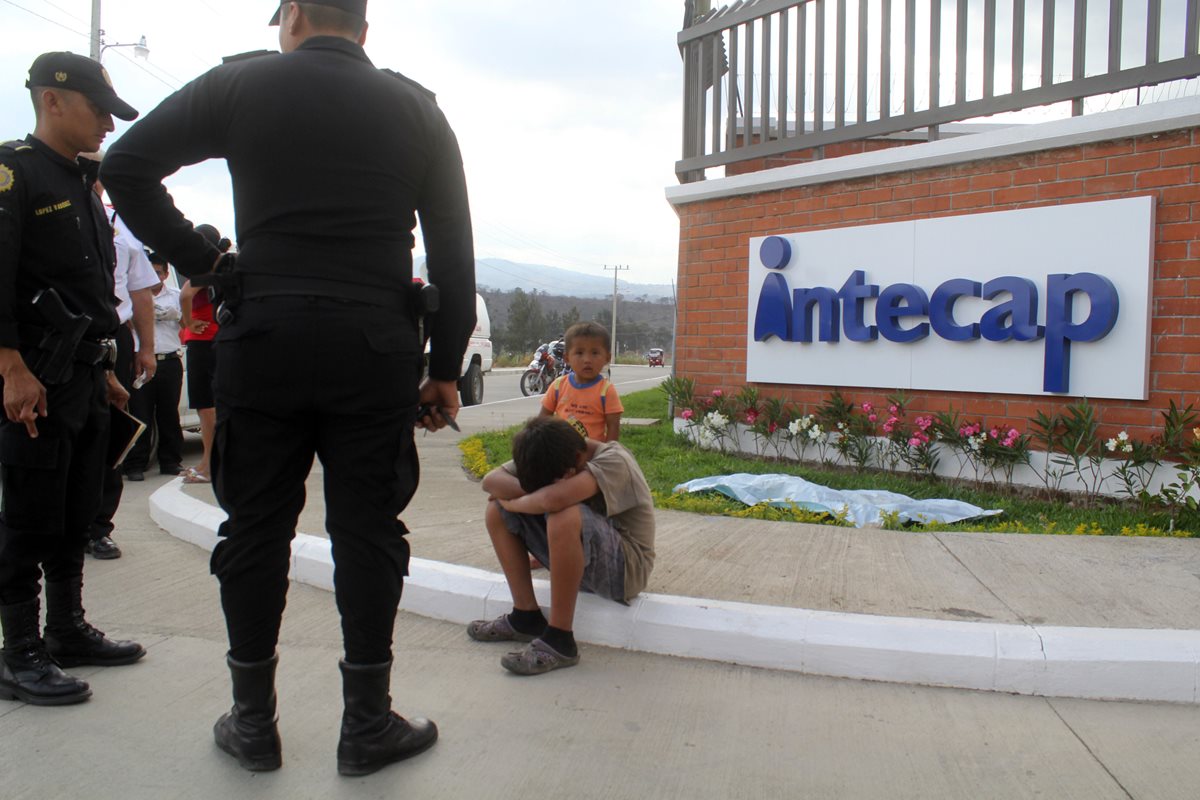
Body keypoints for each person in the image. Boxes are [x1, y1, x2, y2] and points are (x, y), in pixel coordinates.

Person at [101, 0, 476, 776]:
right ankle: (366, 725)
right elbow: (453, 254)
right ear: (363, 28)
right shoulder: (417, 110)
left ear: (295, 14)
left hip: (262, 338)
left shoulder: (241, 85)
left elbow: (125, 165)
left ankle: (252, 724)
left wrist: (201, 259)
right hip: (373, 347)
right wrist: (443, 369)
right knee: (368, 532)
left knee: (255, 529)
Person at [0, 51, 147, 708]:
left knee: (74, 513)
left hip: (85, 377)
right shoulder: (15, 173)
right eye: (99, 110)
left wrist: (107, 370)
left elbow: (89, 293)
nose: (107, 126)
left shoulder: (83, 185)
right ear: (52, 99)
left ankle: (66, 629)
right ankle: (18, 652)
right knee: (27, 518)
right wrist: (11, 367)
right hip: (34, 379)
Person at [469, 416, 656, 675]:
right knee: (496, 511)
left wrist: (516, 502)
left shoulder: (615, 460)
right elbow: (490, 481)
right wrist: (530, 496)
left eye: (557, 480)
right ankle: (526, 617)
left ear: (578, 459)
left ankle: (560, 640)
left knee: (564, 514)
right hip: (581, 560)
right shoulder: (548, 450)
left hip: (626, 571)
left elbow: (555, 500)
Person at [84, 157, 160, 558]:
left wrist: (146, 348)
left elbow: (141, 290)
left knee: (110, 432)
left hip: (114, 335)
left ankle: (98, 527)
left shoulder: (119, 224)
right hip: (56, 334)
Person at [124, 250, 185, 480]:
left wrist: (175, 314)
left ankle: (170, 461)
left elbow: (188, 323)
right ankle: (135, 464)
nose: (154, 277)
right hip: (141, 361)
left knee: (169, 414)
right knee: (140, 413)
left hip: (168, 360)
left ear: (166, 274)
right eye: (150, 272)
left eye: (158, 273)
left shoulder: (176, 295)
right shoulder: (134, 295)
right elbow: (125, 323)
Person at [177, 224, 229, 485]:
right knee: (217, 405)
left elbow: (185, 294)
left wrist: (188, 322)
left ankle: (209, 465)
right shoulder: (225, 267)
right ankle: (212, 462)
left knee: (206, 407)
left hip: (202, 339)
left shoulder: (204, 269)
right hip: (220, 338)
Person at [539, 321, 623, 442]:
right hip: (560, 451)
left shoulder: (606, 391)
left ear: (607, 358)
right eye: (579, 353)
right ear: (567, 358)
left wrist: (608, 452)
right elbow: (542, 421)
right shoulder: (558, 386)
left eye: (595, 353)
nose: (587, 359)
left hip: (594, 452)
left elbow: (613, 427)